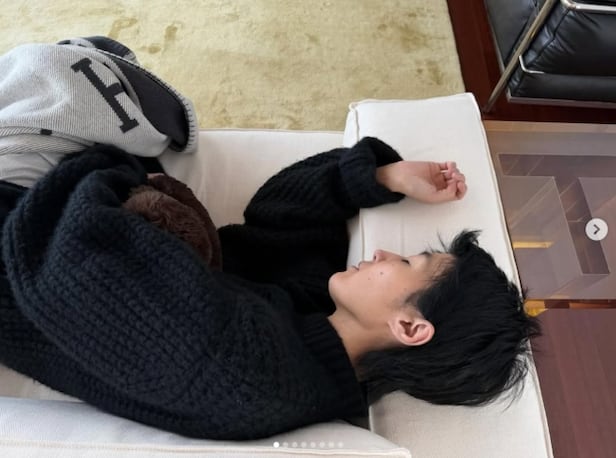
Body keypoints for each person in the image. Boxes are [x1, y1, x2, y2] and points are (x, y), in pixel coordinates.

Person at [0, 136, 540, 440]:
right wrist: (383, 178)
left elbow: (74, 268)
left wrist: (110, 172)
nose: (379, 254)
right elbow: (284, 212)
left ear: (410, 327)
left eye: (405, 262)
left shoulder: (247, 372)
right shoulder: (317, 327)